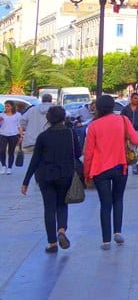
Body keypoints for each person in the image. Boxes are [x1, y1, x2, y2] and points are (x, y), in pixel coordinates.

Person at [21, 105, 81, 252]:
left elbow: (35, 160)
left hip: (46, 175)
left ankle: (52, 243)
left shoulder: (43, 137)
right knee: (62, 204)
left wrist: (26, 181)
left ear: (48, 119)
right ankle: (61, 230)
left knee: (49, 208)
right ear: (63, 118)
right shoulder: (70, 133)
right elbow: (78, 153)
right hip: (65, 174)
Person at [84, 95, 138, 250]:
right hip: (120, 166)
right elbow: (135, 140)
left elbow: (88, 153)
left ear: (98, 107)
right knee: (118, 199)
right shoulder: (123, 120)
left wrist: (86, 173)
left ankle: (106, 240)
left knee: (105, 204)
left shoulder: (94, 126)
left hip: (100, 169)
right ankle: (118, 231)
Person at [1, 100, 22, 174]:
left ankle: (9, 168)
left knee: (11, 152)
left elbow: (19, 126)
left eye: (8, 106)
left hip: (13, 135)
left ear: (12, 107)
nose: (6, 107)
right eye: (5, 106)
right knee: (2, 150)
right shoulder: (2, 115)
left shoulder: (18, 115)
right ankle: (3, 166)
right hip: (3, 134)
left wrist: (20, 136)